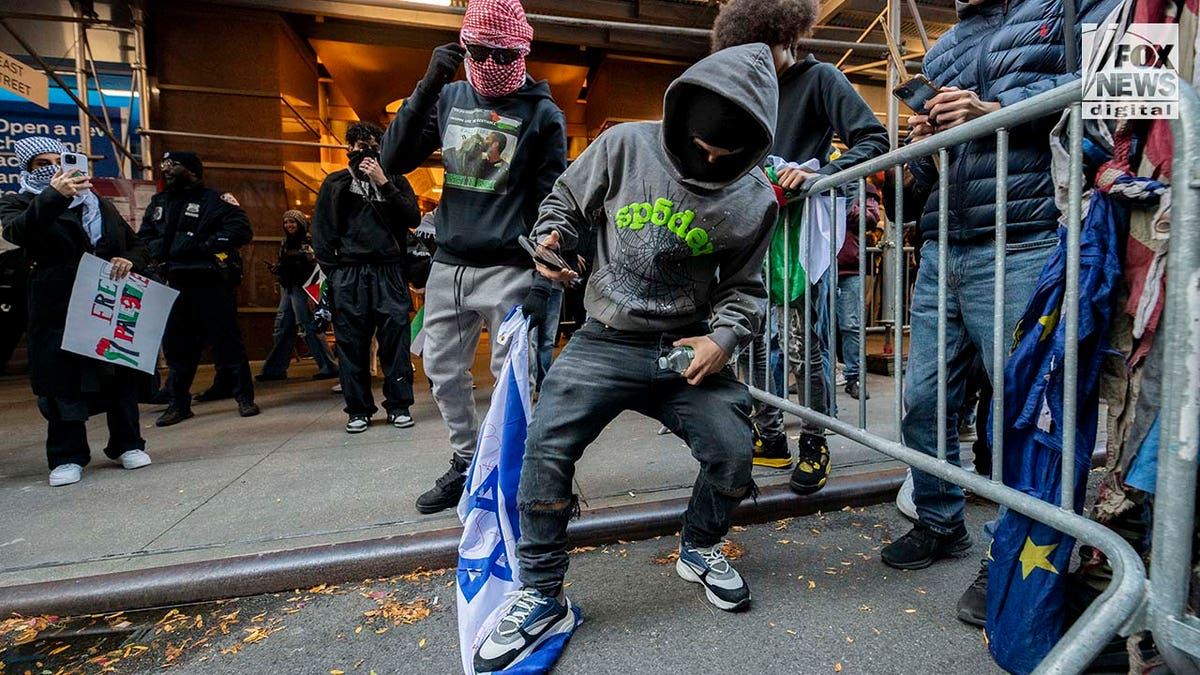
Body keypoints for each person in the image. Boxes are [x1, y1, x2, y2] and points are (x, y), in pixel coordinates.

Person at [471, 43, 779, 672]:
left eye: (727, 153)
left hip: (682, 345)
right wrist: (552, 237)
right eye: (701, 145)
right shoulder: (623, 145)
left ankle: (699, 547)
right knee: (547, 445)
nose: (711, 157)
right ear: (679, 115)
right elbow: (561, 202)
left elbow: (747, 289)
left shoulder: (756, 198)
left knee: (732, 447)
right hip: (605, 337)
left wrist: (724, 338)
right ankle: (541, 592)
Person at [877, 0, 1123, 629]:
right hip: (943, 245)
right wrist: (928, 145)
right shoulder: (943, 48)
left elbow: (1111, 90)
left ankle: (1009, 554)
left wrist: (993, 112)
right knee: (923, 398)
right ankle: (939, 520)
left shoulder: (1063, 10)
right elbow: (943, 169)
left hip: (1024, 236)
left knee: (1023, 410)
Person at [381, 0, 568, 514]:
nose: (490, 63)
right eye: (479, 52)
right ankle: (467, 461)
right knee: (442, 372)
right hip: (449, 265)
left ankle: (501, 465)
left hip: (507, 266)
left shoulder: (542, 113)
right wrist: (427, 84)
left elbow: (552, 197)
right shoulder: (450, 96)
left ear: (523, 50)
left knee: (513, 383)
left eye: (503, 54)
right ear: (464, 48)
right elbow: (393, 159)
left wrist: (541, 273)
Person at [711, 0, 889, 490]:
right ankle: (769, 435)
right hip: (751, 234)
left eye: (763, 49)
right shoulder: (747, 88)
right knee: (750, 340)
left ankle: (816, 439)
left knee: (809, 345)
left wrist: (817, 174)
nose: (756, 60)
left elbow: (874, 139)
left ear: (788, 36)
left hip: (805, 235)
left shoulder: (821, 79)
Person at [0, 137, 152, 486]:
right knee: (62, 382)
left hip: (104, 303)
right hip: (57, 306)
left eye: (61, 160)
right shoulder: (19, 202)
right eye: (44, 163)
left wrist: (129, 260)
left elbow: (136, 245)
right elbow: (19, 232)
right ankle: (67, 456)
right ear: (28, 168)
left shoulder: (98, 204)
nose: (54, 167)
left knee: (117, 374)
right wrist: (55, 195)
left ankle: (127, 443)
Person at [311, 122, 421, 434]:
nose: (364, 153)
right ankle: (358, 409)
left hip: (388, 270)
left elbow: (412, 217)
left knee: (395, 343)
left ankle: (398, 405)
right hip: (350, 272)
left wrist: (383, 182)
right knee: (351, 344)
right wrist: (336, 273)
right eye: (357, 147)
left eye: (371, 146)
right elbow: (321, 232)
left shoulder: (395, 180)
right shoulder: (336, 183)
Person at [138, 151, 260, 426]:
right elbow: (144, 236)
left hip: (209, 282)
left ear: (191, 170)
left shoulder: (215, 200)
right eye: (163, 164)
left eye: (173, 165)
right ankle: (178, 404)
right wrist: (162, 251)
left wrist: (202, 247)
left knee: (227, 342)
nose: (166, 169)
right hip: (174, 282)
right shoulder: (160, 202)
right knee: (178, 348)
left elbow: (241, 230)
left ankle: (244, 397)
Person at [256, 210, 339, 382]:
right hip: (289, 288)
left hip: (305, 289)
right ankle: (274, 369)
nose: (289, 225)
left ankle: (328, 366)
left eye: (292, 222)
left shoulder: (311, 241)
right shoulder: (285, 242)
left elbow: (320, 268)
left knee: (309, 326)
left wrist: (315, 295)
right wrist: (278, 269)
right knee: (282, 327)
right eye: (286, 222)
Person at [838, 180, 881, 400]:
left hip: (849, 267)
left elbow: (872, 218)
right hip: (819, 267)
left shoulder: (864, 186)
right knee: (816, 328)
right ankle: (815, 376)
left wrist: (841, 204)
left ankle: (853, 376)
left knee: (851, 325)